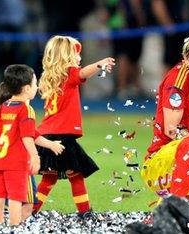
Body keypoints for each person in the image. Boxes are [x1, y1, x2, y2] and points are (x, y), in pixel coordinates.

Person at [33, 35, 115, 217]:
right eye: (76, 54)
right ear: (66, 56)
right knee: (76, 175)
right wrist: (99, 65)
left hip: (46, 135)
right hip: (62, 136)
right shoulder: (68, 75)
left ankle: (31, 209)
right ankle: (85, 212)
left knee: (49, 177)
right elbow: (83, 73)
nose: (79, 57)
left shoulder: (51, 78)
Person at [142, 30, 189, 199]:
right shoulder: (178, 79)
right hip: (160, 167)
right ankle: (173, 208)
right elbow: (171, 129)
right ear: (185, 59)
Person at [0, 81, 65, 221]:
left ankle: (2, 217)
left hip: (2, 162)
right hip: (19, 165)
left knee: (5, 195)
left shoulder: (2, 116)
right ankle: (17, 225)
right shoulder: (24, 112)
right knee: (28, 204)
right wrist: (43, 150)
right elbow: (31, 135)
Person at [0, 64, 41, 226]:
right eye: (35, 83)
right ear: (26, 89)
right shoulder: (25, 110)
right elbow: (27, 136)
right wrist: (34, 155)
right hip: (15, 163)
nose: (37, 87)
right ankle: (14, 224)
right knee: (16, 196)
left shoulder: (3, 107)